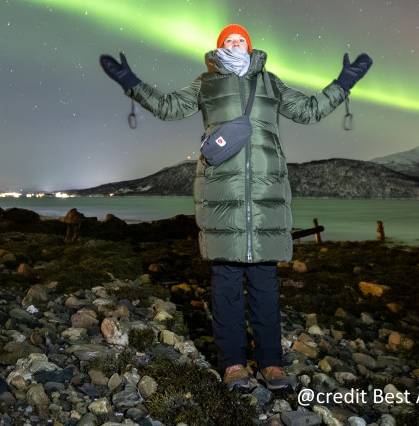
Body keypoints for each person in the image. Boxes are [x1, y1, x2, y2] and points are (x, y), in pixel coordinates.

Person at [100, 24, 372, 392]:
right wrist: (131, 81)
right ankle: (232, 365)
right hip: (219, 192)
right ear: (218, 47)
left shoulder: (271, 82)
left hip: (267, 196)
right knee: (225, 283)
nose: (234, 44)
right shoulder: (205, 83)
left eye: (239, 39)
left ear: (250, 45)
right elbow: (167, 107)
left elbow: (309, 111)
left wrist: (344, 82)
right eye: (227, 40)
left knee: (265, 284)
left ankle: (272, 364)